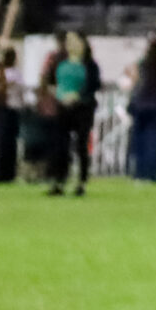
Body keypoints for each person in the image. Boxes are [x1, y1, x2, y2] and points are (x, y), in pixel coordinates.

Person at [44, 31, 100, 196]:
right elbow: (50, 82)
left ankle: (81, 182)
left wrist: (77, 95)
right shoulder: (59, 62)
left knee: (81, 145)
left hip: (83, 108)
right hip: (63, 107)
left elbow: (93, 85)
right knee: (60, 145)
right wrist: (60, 95)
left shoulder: (90, 65)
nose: (70, 44)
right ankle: (59, 181)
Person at [126, 40, 156, 183]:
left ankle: (140, 173)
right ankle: (153, 173)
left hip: (141, 106)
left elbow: (136, 86)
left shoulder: (142, 65)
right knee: (155, 141)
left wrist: (131, 103)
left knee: (140, 141)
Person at [0, 39, 24, 187]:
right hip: (10, 109)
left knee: (2, 143)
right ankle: (8, 174)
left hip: (3, 110)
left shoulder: (0, 73)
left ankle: (2, 174)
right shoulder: (14, 74)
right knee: (9, 144)